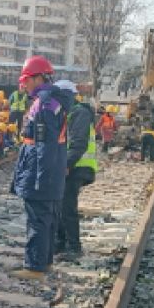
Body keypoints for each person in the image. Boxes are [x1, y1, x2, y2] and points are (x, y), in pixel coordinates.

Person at [9, 56, 70, 280]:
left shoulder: (44, 105)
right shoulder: (52, 102)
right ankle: (44, 262)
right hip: (49, 171)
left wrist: (40, 179)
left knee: (38, 219)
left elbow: (45, 144)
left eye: (26, 80)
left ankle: (34, 267)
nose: (23, 85)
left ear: (38, 78)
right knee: (48, 218)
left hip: (40, 171)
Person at [56, 80, 95, 258]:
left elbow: (79, 143)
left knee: (67, 206)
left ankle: (74, 247)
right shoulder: (69, 113)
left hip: (77, 166)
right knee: (59, 205)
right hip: (71, 165)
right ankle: (60, 243)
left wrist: (66, 164)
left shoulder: (79, 113)